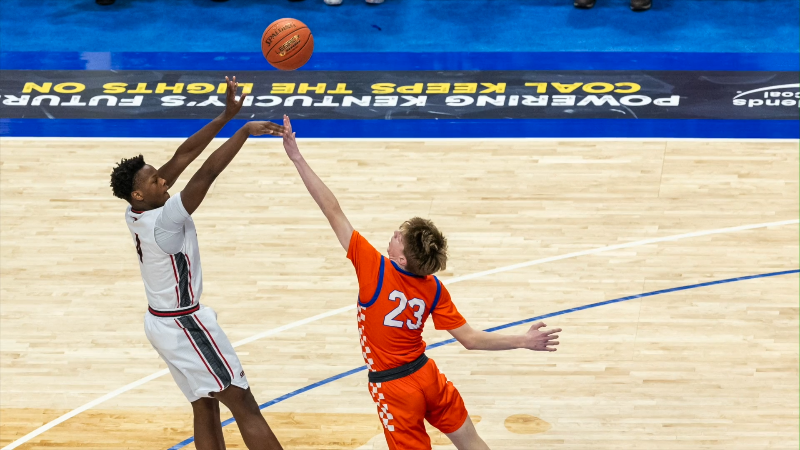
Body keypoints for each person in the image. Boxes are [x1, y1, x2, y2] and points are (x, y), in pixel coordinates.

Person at [280, 115, 562, 450]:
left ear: (401, 260)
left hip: (395, 388)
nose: (396, 233)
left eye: (400, 237)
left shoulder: (375, 268)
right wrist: (522, 340)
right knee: (472, 443)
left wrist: (297, 157)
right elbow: (470, 339)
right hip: (428, 376)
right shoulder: (433, 287)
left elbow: (333, 210)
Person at [110, 77, 285, 450]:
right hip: (185, 322)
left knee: (204, 405)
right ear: (141, 192)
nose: (164, 179)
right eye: (156, 179)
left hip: (161, 322)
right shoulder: (164, 220)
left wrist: (224, 116)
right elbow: (205, 173)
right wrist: (243, 132)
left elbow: (183, 156)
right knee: (243, 402)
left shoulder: (136, 207)